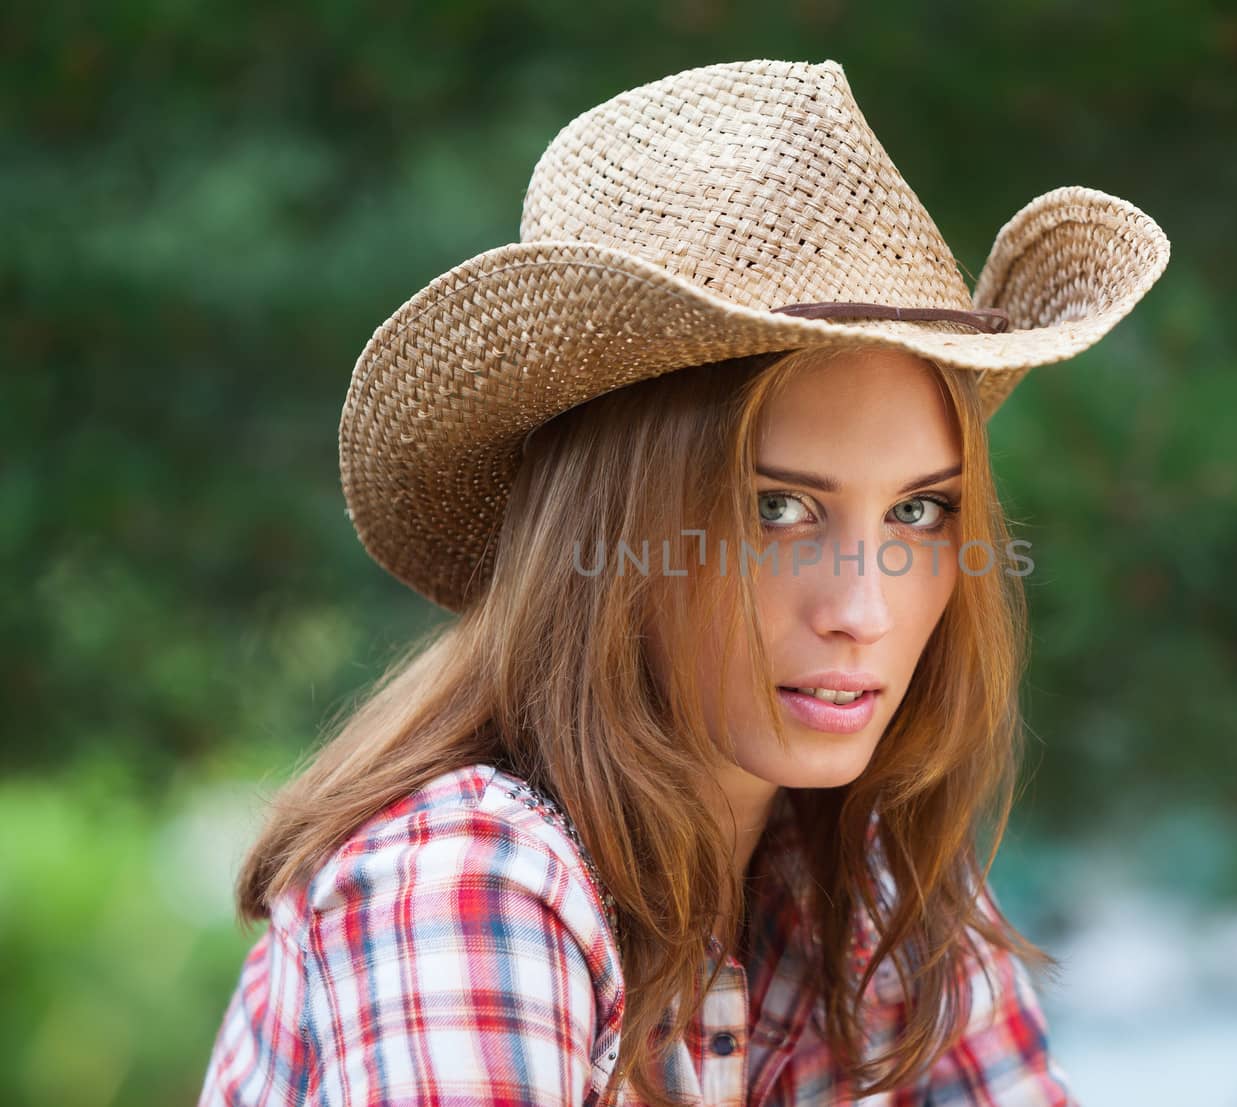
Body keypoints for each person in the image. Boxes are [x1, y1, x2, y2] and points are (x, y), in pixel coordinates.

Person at [197, 57, 1168, 1107]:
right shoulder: (469, 876)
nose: (861, 610)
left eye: (917, 512)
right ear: (610, 535)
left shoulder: (869, 886)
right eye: (774, 509)